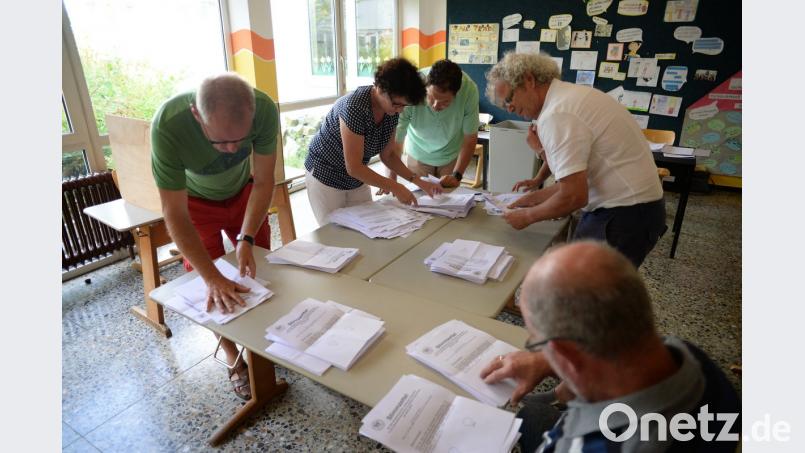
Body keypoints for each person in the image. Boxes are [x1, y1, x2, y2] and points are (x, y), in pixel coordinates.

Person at [480, 241, 740, 452]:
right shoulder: (690, 356)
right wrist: (548, 360)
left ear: (568, 355)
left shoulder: (589, 446)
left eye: (536, 342)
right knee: (531, 415)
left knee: (526, 417)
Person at [151, 73, 279, 400]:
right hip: (195, 205)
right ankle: (234, 358)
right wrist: (211, 276)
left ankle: (261, 346)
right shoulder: (169, 125)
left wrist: (246, 238)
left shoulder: (264, 109)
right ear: (197, 115)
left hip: (245, 194)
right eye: (220, 142)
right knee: (211, 289)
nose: (232, 149)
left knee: (256, 274)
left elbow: (264, 182)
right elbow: (174, 213)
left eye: (240, 139)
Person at [485, 52, 666, 267]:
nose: (510, 109)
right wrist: (535, 197)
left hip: (625, 214)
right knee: (580, 280)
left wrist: (527, 216)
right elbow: (574, 181)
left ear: (529, 80)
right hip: (635, 209)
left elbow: (573, 196)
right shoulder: (569, 96)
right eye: (504, 107)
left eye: (508, 100)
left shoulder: (558, 113)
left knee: (586, 290)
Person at [304, 57, 442, 225]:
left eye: (404, 106)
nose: (400, 109)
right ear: (381, 88)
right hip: (325, 174)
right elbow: (353, 166)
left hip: (355, 178)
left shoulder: (391, 112)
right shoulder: (355, 107)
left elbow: (389, 155)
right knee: (334, 234)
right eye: (397, 104)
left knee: (368, 227)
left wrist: (418, 181)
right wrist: (395, 186)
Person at [386, 59, 479, 188]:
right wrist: (392, 178)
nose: (435, 105)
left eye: (444, 102)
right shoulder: (412, 87)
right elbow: (397, 140)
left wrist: (457, 175)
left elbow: (470, 139)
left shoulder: (469, 91)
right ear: (426, 86)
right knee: (418, 201)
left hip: (450, 154)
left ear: (457, 94)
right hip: (418, 153)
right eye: (431, 97)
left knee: (448, 202)